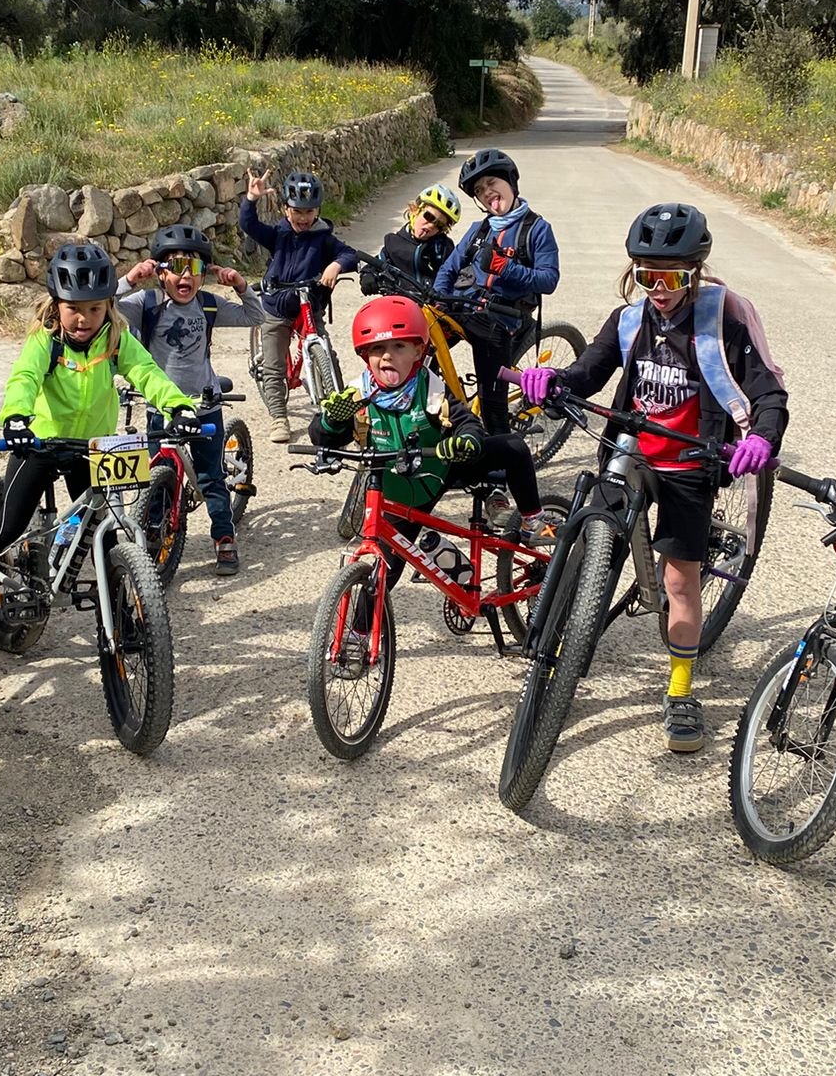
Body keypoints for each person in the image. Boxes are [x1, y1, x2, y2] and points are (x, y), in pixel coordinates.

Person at [518, 201, 788, 755]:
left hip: (692, 462)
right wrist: (553, 380)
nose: (659, 289)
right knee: (592, 534)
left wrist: (761, 436)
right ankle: (568, 628)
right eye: (647, 277)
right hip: (633, 449)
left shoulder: (723, 321)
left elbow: (767, 392)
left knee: (680, 582)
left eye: (672, 277)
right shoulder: (628, 321)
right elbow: (588, 371)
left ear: (696, 273)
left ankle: (681, 690)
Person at [0, 242, 197, 636]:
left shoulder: (115, 337)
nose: (84, 319)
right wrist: (16, 419)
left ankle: (122, 620)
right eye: (74, 309)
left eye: (95, 309)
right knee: (8, 527)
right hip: (40, 444)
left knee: (107, 533)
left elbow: (147, 373)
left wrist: (178, 407)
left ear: (108, 306)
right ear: (56, 305)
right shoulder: (46, 341)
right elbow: (24, 378)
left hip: (94, 447)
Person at [310, 295, 559, 559]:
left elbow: (466, 421)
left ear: (418, 351)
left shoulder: (430, 388)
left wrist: (466, 440)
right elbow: (324, 439)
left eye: (398, 346)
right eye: (377, 348)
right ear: (365, 355)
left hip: (442, 466)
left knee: (514, 447)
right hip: (398, 490)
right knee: (382, 573)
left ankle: (532, 521)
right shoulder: (357, 394)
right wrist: (332, 421)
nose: (387, 356)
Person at [118, 223, 265, 575]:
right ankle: (154, 534)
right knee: (158, 474)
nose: (186, 276)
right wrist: (130, 279)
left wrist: (240, 285)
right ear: (159, 271)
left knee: (211, 477)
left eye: (195, 267)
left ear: (203, 274)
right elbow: (101, 308)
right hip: (161, 407)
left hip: (204, 406)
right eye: (176, 266)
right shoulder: (146, 304)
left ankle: (224, 536)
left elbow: (256, 316)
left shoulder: (208, 305)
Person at [433, 148, 559, 434]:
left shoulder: (537, 229)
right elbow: (449, 269)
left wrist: (505, 267)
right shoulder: (480, 229)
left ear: (510, 181)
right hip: (465, 307)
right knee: (421, 337)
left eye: (491, 183)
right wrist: (439, 296)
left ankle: (499, 449)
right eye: (479, 190)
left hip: (503, 317)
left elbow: (549, 280)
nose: (486, 192)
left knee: (492, 396)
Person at [239, 167, 359, 445]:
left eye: (309, 212)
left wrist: (336, 265)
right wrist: (252, 199)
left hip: (309, 302)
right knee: (274, 367)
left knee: (325, 351)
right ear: (285, 209)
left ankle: (337, 411)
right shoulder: (277, 234)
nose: (303, 218)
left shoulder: (323, 237)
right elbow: (249, 225)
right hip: (276, 305)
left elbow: (349, 254)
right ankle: (279, 417)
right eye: (297, 211)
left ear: (317, 211)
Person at [368, 183, 462, 291]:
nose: (431, 226)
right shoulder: (393, 242)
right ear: (416, 210)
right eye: (429, 216)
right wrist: (368, 275)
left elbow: (455, 273)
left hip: (431, 300)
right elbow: (375, 263)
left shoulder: (443, 248)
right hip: (398, 298)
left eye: (439, 225)